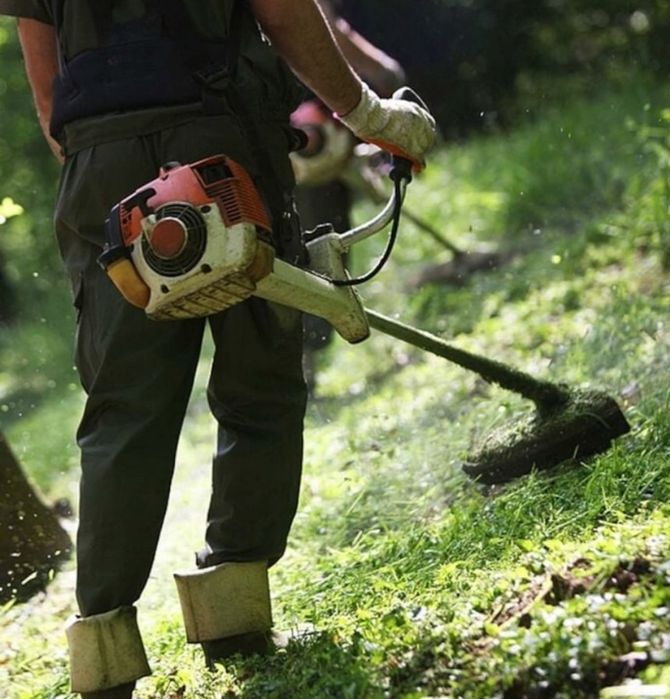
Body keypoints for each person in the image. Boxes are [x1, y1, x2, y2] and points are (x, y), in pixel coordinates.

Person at [0, 2, 435, 697]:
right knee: (259, 371)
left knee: (123, 407)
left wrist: (108, 158)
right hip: (221, 129)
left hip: (98, 159)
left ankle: (103, 649)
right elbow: (285, 10)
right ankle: (233, 607)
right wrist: (369, 114)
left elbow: (46, 80)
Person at [290, 0, 409, 389]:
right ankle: (301, 364)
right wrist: (379, 72)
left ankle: (303, 362)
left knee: (308, 243)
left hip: (301, 128)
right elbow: (320, 24)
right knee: (320, 245)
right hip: (302, 136)